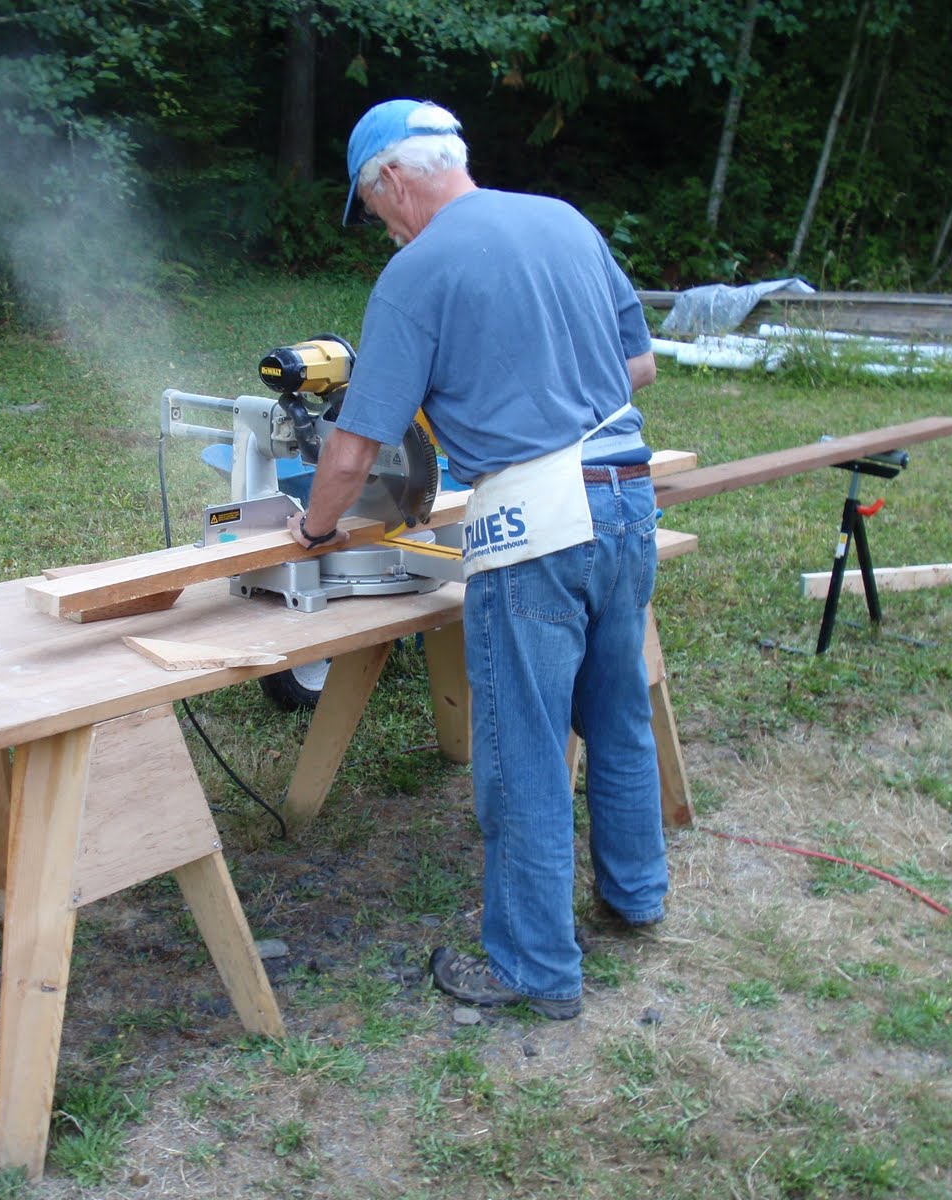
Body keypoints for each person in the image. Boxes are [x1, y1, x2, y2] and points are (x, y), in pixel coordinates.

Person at [286, 99, 665, 1020]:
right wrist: (544, 398)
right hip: (626, 496)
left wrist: (314, 532)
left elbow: (354, 450)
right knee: (617, 710)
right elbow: (639, 365)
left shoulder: (417, 272)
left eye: (374, 209)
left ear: (393, 180)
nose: (383, 227)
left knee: (522, 749)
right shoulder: (562, 219)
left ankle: (534, 966)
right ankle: (636, 895)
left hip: (537, 527)